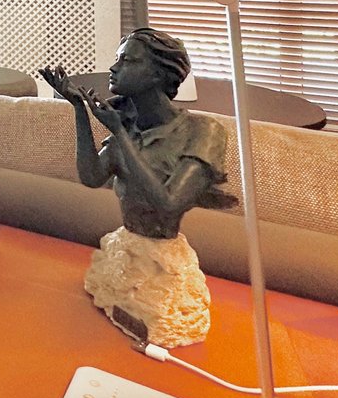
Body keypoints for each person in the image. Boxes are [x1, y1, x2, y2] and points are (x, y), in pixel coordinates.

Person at [39, 28, 234, 240]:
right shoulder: (128, 127)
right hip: (126, 243)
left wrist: (119, 132)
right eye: (117, 59)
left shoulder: (203, 131)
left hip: (163, 252)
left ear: (157, 74)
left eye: (127, 61)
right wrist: (79, 108)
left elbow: (169, 204)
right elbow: (91, 177)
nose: (114, 68)